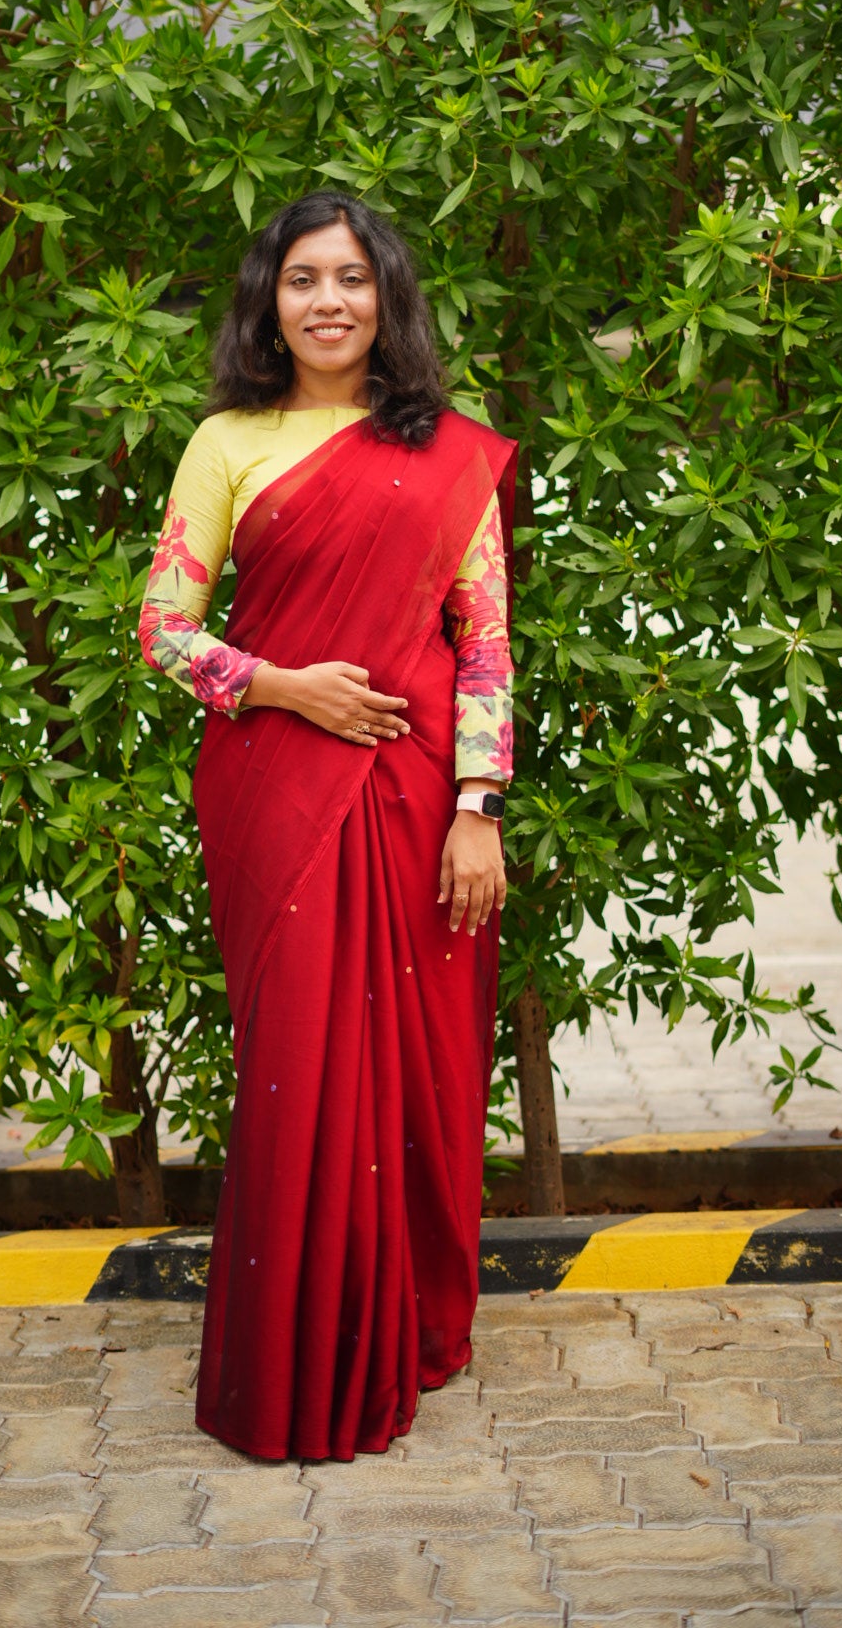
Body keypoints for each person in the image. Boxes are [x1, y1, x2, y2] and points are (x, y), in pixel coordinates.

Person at [139, 192, 517, 1461]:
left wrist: (477, 811)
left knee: (416, 1072)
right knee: (301, 1066)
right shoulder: (226, 442)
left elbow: (485, 650)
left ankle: (402, 1325)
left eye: (351, 278)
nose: (328, 302)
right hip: (274, 791)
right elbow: (165, 633)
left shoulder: (452, 453)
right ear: (269, 299)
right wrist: (285, 685)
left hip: (416, 805)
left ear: (387, 296)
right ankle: (293, 1352)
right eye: (303, 279)